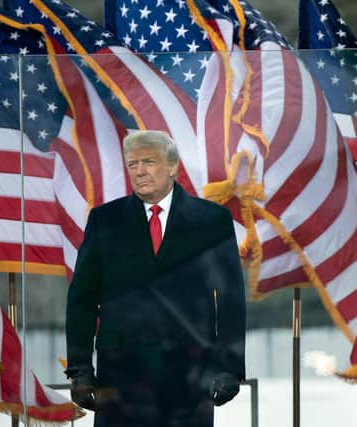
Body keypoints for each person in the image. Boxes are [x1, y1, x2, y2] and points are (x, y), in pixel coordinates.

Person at [65, 130, 246, 427]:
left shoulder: (211, 221)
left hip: (190, 378)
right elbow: (82, 299)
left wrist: (229, 367)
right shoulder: (104, 220)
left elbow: (230, 299)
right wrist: (79, 368)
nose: (139, 171)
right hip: (120, 379)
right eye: (132, 164)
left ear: (173, 167)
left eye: (148, 162)